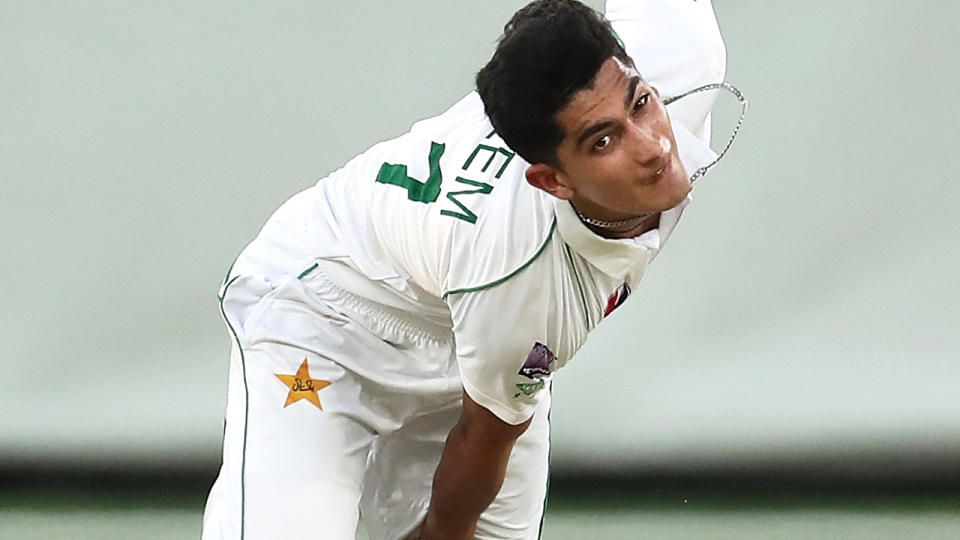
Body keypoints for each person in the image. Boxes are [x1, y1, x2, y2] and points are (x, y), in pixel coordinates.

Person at [201, 0, 732, 539]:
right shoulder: (521, 275)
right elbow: (471, 474)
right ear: (553, 181)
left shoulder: (683, 62)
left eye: (641, 104)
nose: (653, 145)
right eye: (602, 141)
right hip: (323, 317)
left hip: (462, 324)